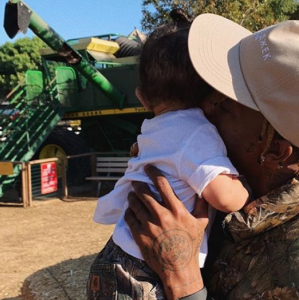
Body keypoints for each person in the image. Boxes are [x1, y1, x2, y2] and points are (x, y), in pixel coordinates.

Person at [125, 13, 299, 300]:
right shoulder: (224, 186)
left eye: (225, 106)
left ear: (274, 151)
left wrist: (186, 284)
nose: (203, 106)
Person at [87, 14, 249, 300]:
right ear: (208, 94)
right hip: (146, 269)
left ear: (142, 97)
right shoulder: (198, 132)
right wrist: (243, 187)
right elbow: (227, 198)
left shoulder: (151, 129)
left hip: (116, 253)